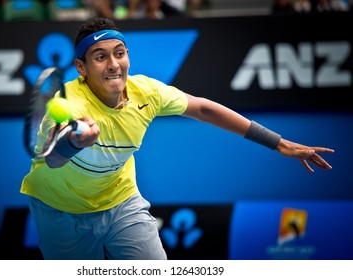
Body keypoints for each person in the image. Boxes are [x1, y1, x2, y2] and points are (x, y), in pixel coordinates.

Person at [20, 17, 334, 260]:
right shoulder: (67, 105)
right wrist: (75, 142)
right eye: (100, 57)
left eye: (119, 53)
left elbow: (204, 109)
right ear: (81, 68)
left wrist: (278, 143)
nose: (114, 64)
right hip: (60, 212)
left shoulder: (147, 91)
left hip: (119, 202)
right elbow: (52, 159)